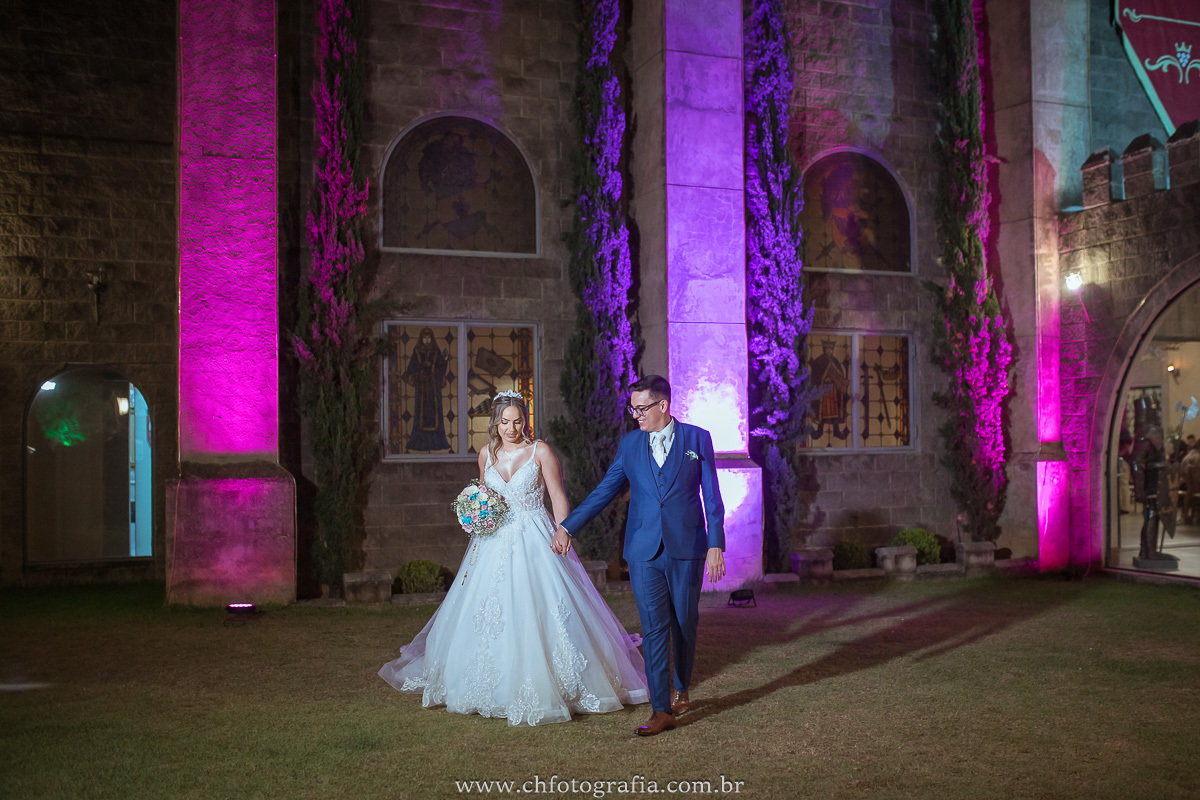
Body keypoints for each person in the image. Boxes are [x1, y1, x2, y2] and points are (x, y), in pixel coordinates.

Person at [379, 391, 649, 725]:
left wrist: (563, 531)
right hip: (491, 543)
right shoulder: (485, 454)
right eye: (505, 422)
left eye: (517, 421)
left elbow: (557, 496)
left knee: (541, 608)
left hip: (535, 537)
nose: (511, 427)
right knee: (484, 611)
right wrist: (474, 515)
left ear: (525, 420)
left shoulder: (540, 451)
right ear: (495, 423)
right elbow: (482, 497)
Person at [553, 375, 725, 737]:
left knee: (685, 623)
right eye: (632, 408)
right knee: (654, 628)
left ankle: (682, 687)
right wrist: (568, 527)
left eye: (642, 408)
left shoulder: (698, 439)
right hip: (644, 552)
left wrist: (715, 544)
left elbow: (711, 495)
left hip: (688, 549)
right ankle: (661, 709)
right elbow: (604, 491)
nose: (635, 415)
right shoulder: (630, 445)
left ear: (663, 405)